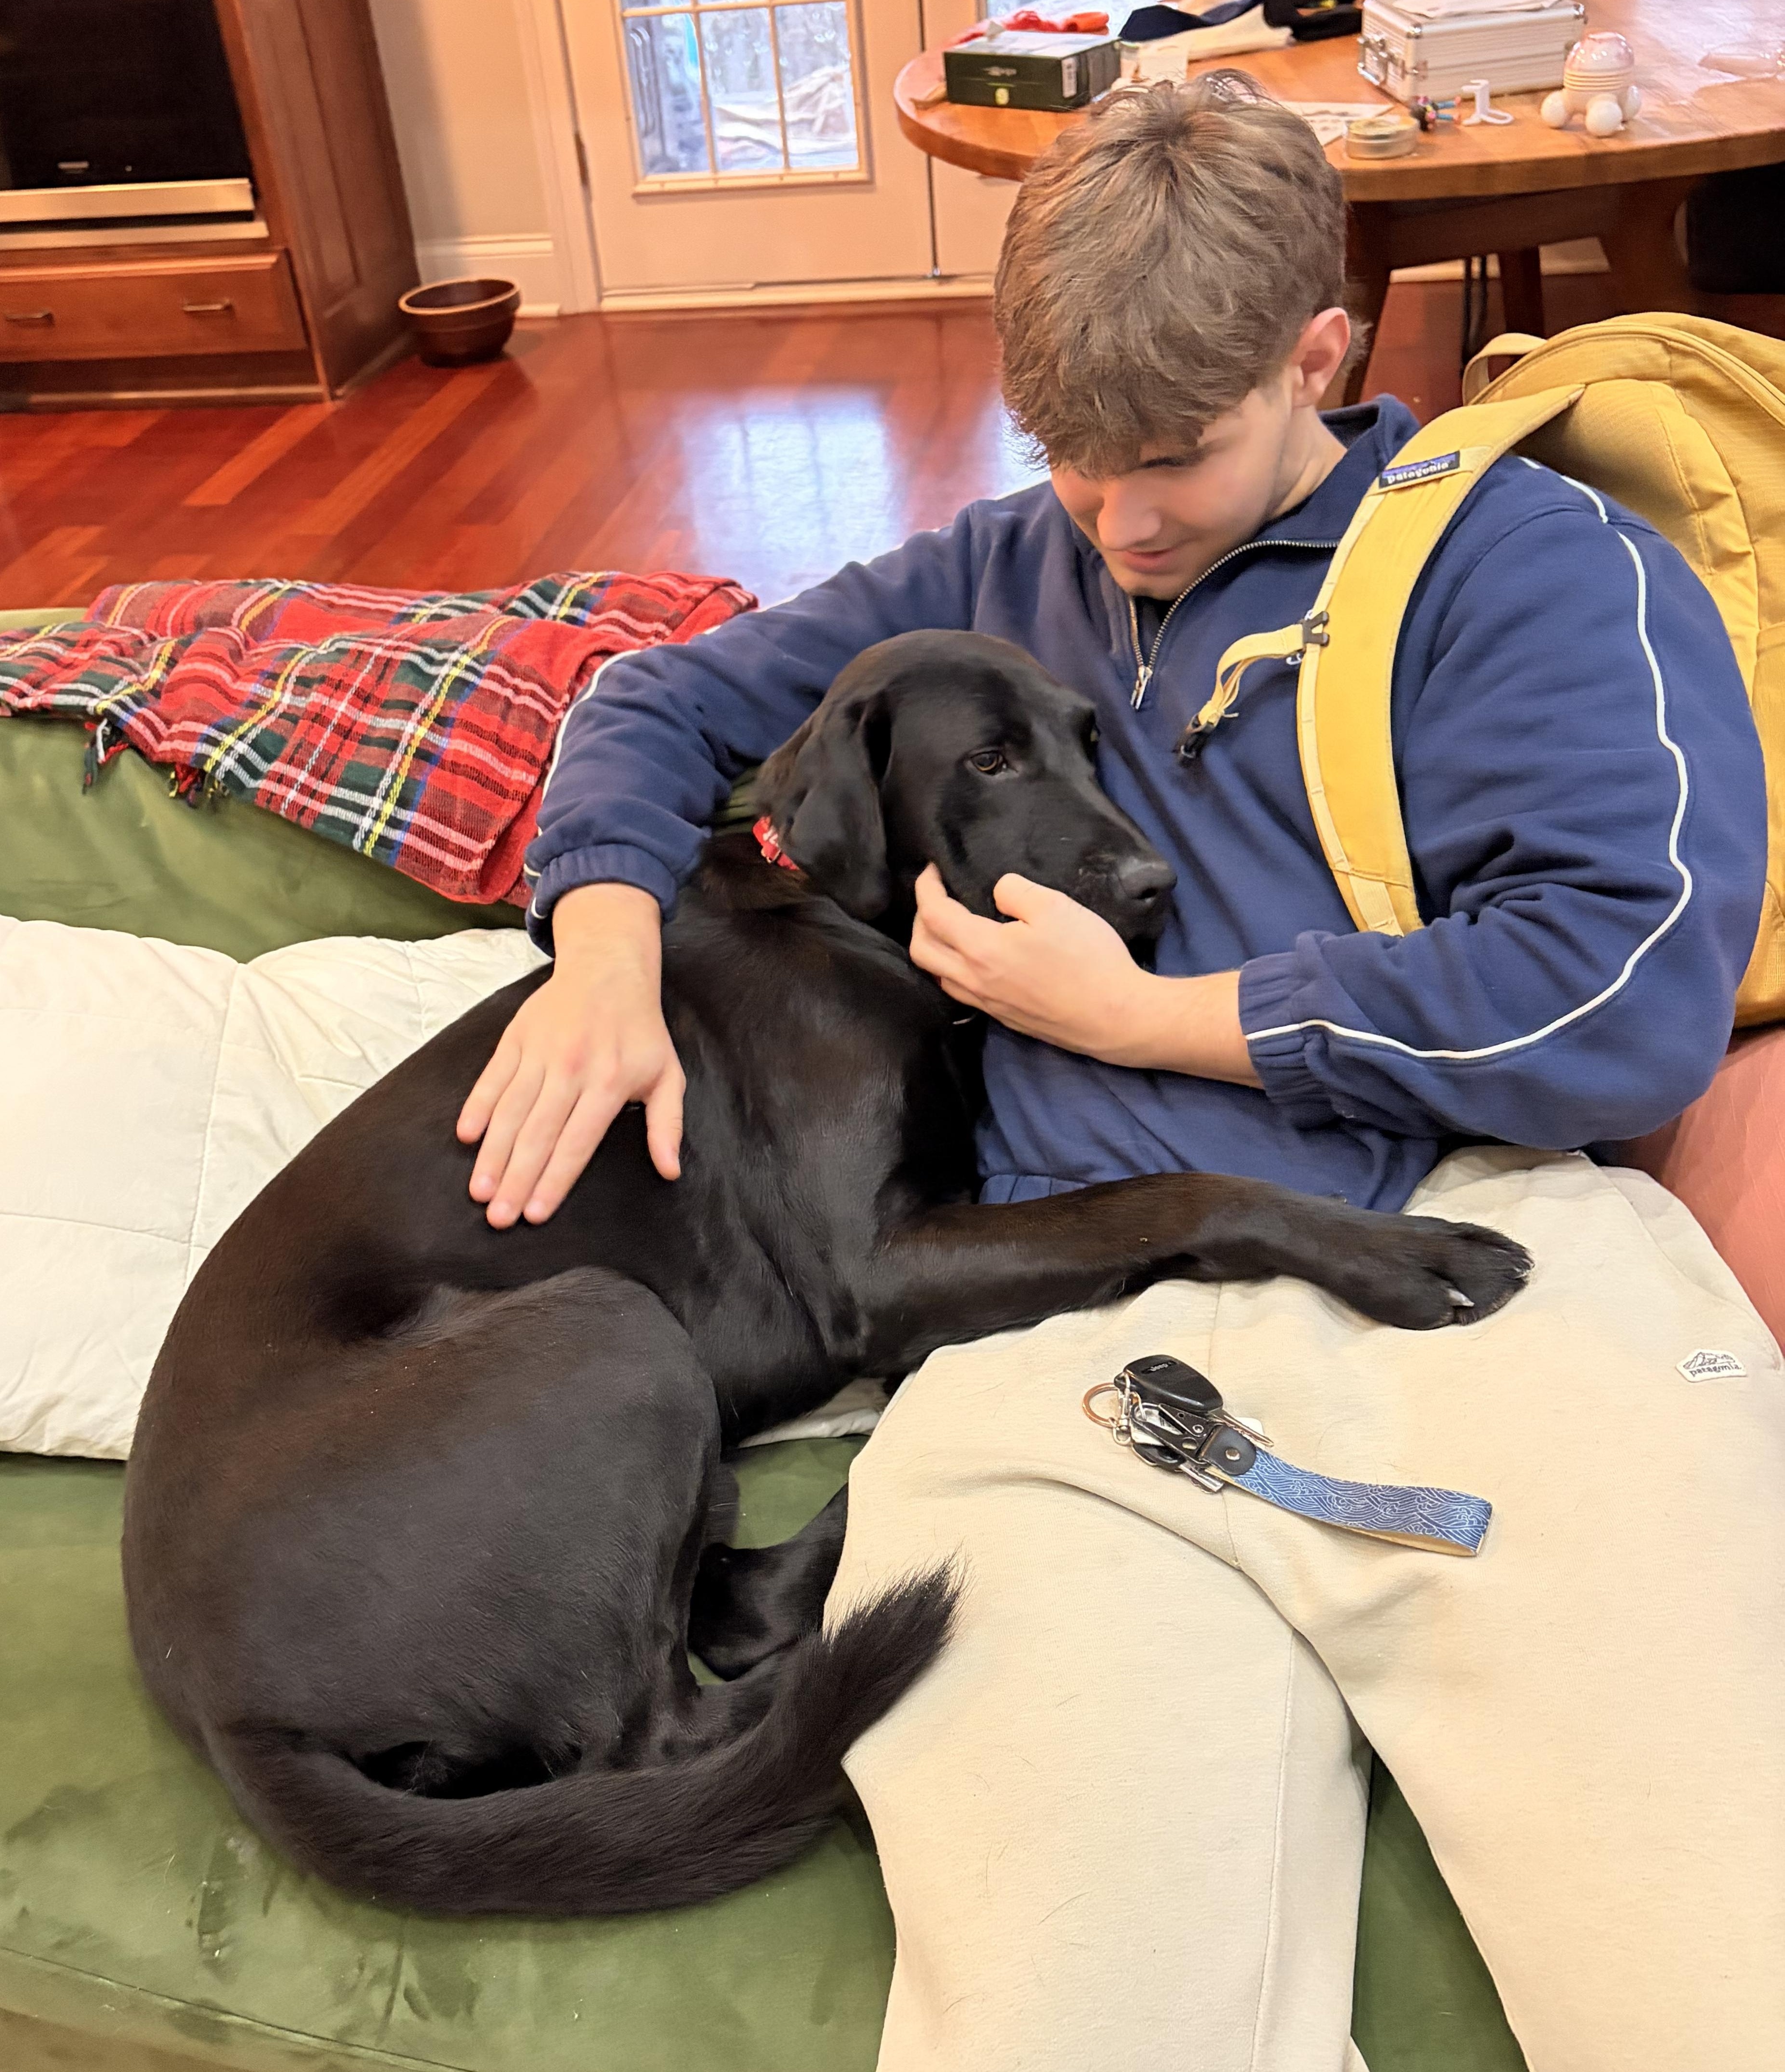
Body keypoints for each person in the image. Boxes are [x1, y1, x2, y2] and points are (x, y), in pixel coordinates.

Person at [460, 78, 1784, 2072]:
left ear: (1319, 357)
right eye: (1073, 463)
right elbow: (655, 697)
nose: (1121, 525)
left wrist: (1157, 1016)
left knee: (1721, 1967)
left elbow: (1623, 995)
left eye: (1173, 457)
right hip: (1042, 1328)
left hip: (1469, 1254)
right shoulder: (1001, 572)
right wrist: (601, 951)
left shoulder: (1529, 568)